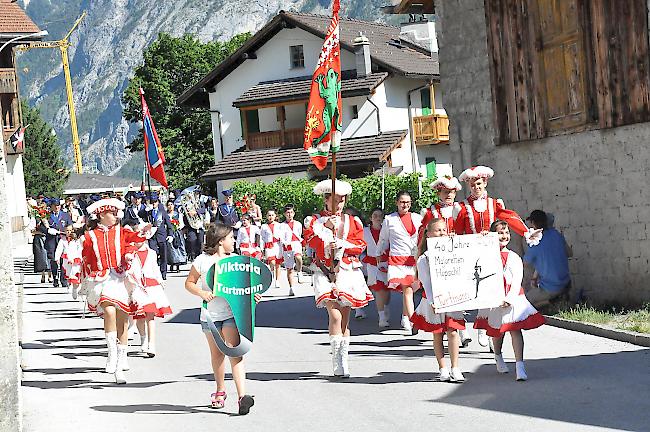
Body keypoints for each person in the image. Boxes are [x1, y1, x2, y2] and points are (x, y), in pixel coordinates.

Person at [455, 166, 542, 347]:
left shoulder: (494, 203)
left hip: (495, 252)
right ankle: (480, 327)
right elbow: (458, 231)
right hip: (475, 254)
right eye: (472, 185)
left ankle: (491, 329)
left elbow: (509, 218)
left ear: (485, 183)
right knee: (480, 289)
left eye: (478, 184)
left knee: (495, 288)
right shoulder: (463, 207)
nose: (476, 188)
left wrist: (525, 232)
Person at [184, 223, 257, 415]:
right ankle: (220, 390)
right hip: (210, 315)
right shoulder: (202, 261)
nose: (234, 241)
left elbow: (245, 286)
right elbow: (189, 283)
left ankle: (243, 397)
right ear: (220, 240)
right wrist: (201, 293)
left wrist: (253, 296)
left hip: (231, 314)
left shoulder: (236, 260)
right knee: (217, 355)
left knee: (235, 351)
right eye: (231, 237)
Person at [303, 179, 373, 378]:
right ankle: (336, 361)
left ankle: (343, 360)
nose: (339, 204)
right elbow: (309, 240)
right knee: (334, 315)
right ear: (326, 200)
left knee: (345, 320)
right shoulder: (314, 221)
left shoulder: (353, 221)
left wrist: (341, 244)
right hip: (325, 271)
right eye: (335, 200)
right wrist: (325, 228)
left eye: (342, 200)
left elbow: (360, 245)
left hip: (347, 271)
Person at [81, 198, 153, 384]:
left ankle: (121, 359)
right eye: (112, 213)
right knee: (109, 310)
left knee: (123, 318)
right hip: (102, 279)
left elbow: (134, 241)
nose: (116, 216)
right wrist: (86, 277)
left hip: (120, 278)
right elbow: (86, 257)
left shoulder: (121, 232)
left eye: (116, 213)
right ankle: (111, 353)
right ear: (101, 215)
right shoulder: (90, 236)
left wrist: (136, 243)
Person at [473, 220, 545, 381]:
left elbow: (518, 278)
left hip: (513, 298)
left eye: (506, 233)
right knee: (497, 331)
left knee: (514, 329)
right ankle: (498, 356)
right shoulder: (485, 255)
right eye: (499, 233)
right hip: (494, 298)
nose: (504, 236)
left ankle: (520, 365)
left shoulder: (514, 257)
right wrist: (483, 239)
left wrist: (510, 298)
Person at [411, 218, 465, 382]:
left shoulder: (454, 251)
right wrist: (433, 301)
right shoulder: (424, 258)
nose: (442, 233)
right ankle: (443, 367)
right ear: (429, 234)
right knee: (438, 334)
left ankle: (455, 367)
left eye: (444, 230)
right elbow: (425, 282)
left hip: (452, 296)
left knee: (453, 332)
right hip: (433, 298)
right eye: (438, 230)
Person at [377, 191, 423, 334]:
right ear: (397, 202)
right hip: (398, 260)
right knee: (407, 289)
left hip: (414, 260)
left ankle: (405, 317)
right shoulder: (389, 219)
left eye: (408, 202)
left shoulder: (417, 218)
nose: (405, 205)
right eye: (402, 202)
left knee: (411, 290)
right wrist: (379, 253)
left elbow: (423, 235)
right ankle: (412, 320)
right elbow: (383, 239)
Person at [127, 224, 173, 358]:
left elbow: (155, 268)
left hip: (151, 286)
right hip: (137, 288)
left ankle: (152, 344)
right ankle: (143, 338)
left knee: (150, 316)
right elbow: (128, 270)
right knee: (139, 317)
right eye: (136, 237)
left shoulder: (151, 253)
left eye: (141, 236)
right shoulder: (130, 254)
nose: (138, 240)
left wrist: (160, 280)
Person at [523, 210, 572, 308]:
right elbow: (569, 253)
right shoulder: (556, 234)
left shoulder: (535, 242)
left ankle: (553, 301)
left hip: (551, 288)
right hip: (566, 282)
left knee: (525, 303)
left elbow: (525, 263)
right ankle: (553, 301)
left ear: (533, 223)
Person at [363, 208, 390, 327]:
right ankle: (382, 317)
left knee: (386, 291)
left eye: (380, 216)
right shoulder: (365, 232)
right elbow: (360, 246)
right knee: (379, 289)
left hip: (387, 264)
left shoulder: (388, 231)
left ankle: (385, 307)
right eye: (375, 215)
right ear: (370, 218)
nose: (378, 218)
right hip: (372, 264)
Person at [45, 198, 74, 288]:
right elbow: (40, 227)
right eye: (55, 206)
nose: (57, 207)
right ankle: (55, 277)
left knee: (63, 259)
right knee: (53, 259)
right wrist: (48, 230)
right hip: (51, 240)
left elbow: (70, 225)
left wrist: (67, 232)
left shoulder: (65, 215)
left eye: (58, 206)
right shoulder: (47, 216)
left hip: (62, 239)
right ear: (52, 207)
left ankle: (63, 279)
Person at [145, 192, 174, 280]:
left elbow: (169, 225)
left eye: (154, 202)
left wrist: (170, 235)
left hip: (162, 236)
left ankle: (163, 273)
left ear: (158, 202)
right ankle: (154, 272)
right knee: (153, 255)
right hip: (152, 237)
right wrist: (146, 210)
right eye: (152, 202)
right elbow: (140, 215)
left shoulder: (163, 213)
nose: (153, 204)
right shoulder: (148, 212)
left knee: (163, 255)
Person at [54, 224, 84, 299]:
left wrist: (79, 258)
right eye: (67, 230)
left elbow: (80, 249)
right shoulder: (62, 240)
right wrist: (57, 258)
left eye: (70, 230)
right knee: (69, 274)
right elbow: (59, 249)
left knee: (76, 274)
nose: (69, 232)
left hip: (76, 260)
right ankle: (71, 285)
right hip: (67, 260)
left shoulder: (77, 240)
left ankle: (76, 288)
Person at [280, 204, 304, 297]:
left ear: (294, 213)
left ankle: (299, 271)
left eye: (291, 212)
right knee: (289, 268)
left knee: (298, 257)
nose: (289, 214)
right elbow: (281, 236)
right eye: (287, 213)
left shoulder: (298, 224)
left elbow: (299, 234)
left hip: (296, 243)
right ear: (285, 214)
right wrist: (285, 243)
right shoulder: (282, 225)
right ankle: (291, 288)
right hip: (287, 246)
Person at [261, 209, 284, 288]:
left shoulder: (279, 225)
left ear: (275, 216)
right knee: (272, 261)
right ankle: (271, 272)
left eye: (272, 215)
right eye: (269, 215)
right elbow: (262, 237)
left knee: (278, 264)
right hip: (269, 246)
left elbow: (282, 235)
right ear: (267, 216)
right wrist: (262, 247)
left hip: (277, 245)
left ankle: (277, 280)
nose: (271, 217)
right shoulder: (264, 226)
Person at [166, 200, 187, 273]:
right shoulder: (166, 215)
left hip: (177, 233)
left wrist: (177, 226)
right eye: (168, 205)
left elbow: (181, 223)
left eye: (171, 204)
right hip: (169, 233)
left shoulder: (177, 214)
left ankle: (178, 265)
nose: (170, 206)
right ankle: (172, 263)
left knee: (178, 247)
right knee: (171, 249)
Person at [32, 216, 51, 283]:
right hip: (38, 240)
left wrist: (44, 221)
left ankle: (50, 275)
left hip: (47, 239)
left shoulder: (48, 218)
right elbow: (32, 231)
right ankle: (43, 275)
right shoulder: (35, 219)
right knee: (41, 258)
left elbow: (48, 229)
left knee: (48, 256)